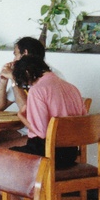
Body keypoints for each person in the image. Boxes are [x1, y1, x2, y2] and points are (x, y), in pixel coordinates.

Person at [10, 55, 87, 187]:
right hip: (70, 154)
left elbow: (41, 132)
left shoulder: (37, 90)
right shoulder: (72, 88)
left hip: (45, 153)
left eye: (24, 83)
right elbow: (84, 121)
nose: (27, 86)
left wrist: (21, 116)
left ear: (28, 73)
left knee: (0, 159)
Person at [0, 36, 47, 112]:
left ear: (25, 53)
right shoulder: (23, 75)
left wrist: (13, 78)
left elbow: (27, 112)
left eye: (16, 54)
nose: (14, 60)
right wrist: (3, 80)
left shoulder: (48, 76)